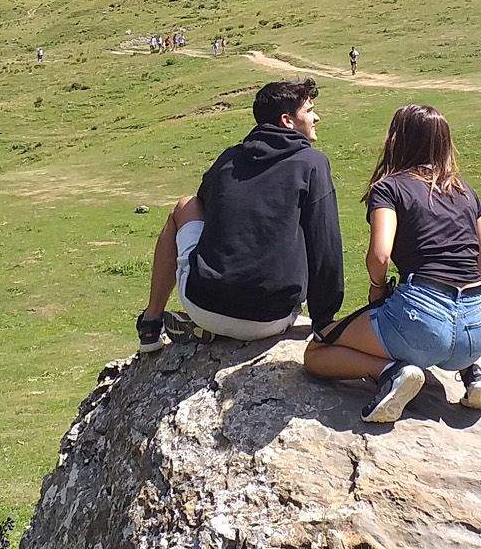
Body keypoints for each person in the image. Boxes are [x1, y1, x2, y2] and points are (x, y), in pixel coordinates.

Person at [302, 102, 481, 426]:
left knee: (318, 352)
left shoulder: (390, 188)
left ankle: (392, 373)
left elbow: (380, 255)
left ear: (397, 140)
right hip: (477, 331)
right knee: (451, 328)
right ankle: (474, 373)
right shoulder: (467, 193)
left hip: (421, 321)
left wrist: (378, 290)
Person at [136, 77, 343, 351]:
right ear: (287, 121)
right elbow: (325, 246)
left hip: (203, 303)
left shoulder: (229, 158)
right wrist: (323, 321)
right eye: (309, 111)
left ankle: (151, 324)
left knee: (186, 205)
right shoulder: (312, 164)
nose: (316, 117)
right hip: (271, 318)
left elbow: (207, 206)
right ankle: (216, 328)